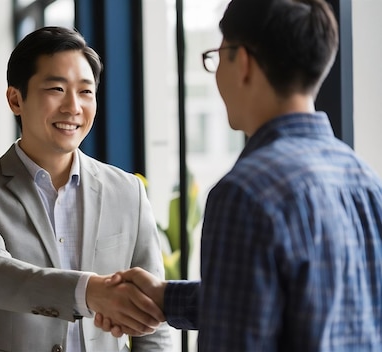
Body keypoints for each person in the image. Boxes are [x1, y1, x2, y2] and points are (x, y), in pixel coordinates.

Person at [95, 0, 382, 350]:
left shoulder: (246, 192)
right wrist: (166, 298)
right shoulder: (364, 180)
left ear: (242, 62)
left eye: (217, 55)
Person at [0, 26, 173, 352]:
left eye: (85, 91)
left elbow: (152, 317)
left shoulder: (127, 191)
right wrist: (89, 291)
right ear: (15, 99)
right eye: (57, 89)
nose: (73, 107)